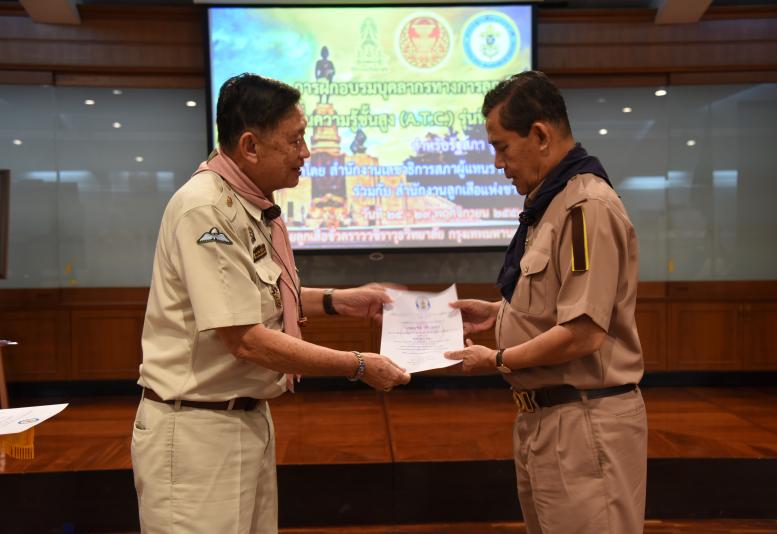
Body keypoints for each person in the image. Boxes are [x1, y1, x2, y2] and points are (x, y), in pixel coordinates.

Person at [131, 73, 410, 534]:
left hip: (245, 419)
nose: (307, 152)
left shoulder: (249, 204)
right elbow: (245, 338)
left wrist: (339, 301)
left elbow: (258, 298)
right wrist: (358, 365)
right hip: (197, 431)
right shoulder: (206, 209)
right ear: (250, 146)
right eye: (295, 141)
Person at [445, 71, 647, 534]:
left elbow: (583, 332)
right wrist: (499, 313)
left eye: (502, 147)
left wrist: (497, 359)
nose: (498, 163)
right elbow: (559, 303)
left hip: (584, 422)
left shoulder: (585, 208)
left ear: (539, 135)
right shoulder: (552, 202)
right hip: (549, 419)